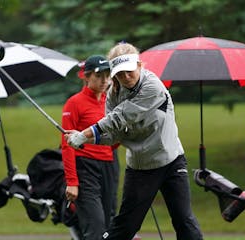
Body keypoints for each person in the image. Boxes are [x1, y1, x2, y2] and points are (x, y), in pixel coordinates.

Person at [65, 42, 203, 240]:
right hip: (140, 167)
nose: (126, 77)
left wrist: (85, 133)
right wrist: (85, 140)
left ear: (139, 65)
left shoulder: (153, 86)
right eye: (120, 74)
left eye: (130, 71)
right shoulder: (113, 94)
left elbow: (121, 117)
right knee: (126, 225)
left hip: (171, 160)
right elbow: (113, 135)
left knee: (184, 219)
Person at [61, 55, 116, 240]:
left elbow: (113, 140)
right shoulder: (74, 103)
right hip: (85, 168)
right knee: (96, 227)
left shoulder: (110, 102)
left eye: (108, 75)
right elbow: (66, 145)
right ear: (86, 76)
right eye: (99, 76)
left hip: (108, 166)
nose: (105, 80)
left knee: (109, 226)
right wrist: (72, 181)